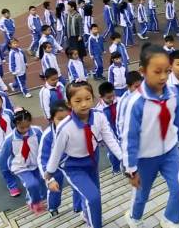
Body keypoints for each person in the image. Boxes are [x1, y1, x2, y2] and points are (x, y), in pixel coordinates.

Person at [123, 44, 179, 228]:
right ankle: (134, 217)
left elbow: (177, 120)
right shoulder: (135, 102)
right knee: (142, 194)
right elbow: (130, 137)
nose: (163, 77)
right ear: (142, 71)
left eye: (167, 71)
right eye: (157, 72)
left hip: (170, 151)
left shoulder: (172, 93)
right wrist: (131, 169)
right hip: (145, 158)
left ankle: (170, 219)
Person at [44, 81, 122, 228]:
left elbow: (110, 139)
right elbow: (57, 152)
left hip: (92, 160)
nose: (84, 104)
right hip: (73, 166)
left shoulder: (99, 116)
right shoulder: (65, 127)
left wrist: (124, 159)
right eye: (78, 101)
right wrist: (49, 174)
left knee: (94, 195)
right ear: (69, 103)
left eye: (88, 99)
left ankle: (87, 214)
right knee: (92, 198)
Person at [0, 108, 46, 214]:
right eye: (21, 127)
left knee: (40, 183)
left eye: (27, 126)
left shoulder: (37, 132)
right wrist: (3, 168)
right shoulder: (10, 139)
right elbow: (2, 157)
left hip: (36, 163)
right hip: (20, 166)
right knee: (32, 184)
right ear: (15, 124)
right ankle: (34, 202)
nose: (25, 130)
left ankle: (35, 198)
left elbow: (44, 145)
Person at [38, 102, 83, 217]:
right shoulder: (47, 136)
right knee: (55, 189)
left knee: (78, 185)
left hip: (71, 164)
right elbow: (42, 159)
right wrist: (49, 179)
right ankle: (53, 207)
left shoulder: (75, 128)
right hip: (55, 167)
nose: (64, 122)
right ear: (52, 120)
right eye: (60, 119)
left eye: (68, 119)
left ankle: (79, 208)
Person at [96, 82, 121, 173]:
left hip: (120, 130)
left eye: (113, 96)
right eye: (108, 97)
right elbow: (98, 125)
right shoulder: (99, 110)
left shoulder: (119, 100)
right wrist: (100, 139)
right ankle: (116, 169)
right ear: (101, 97)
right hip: (108, 134)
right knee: (113, 153)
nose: (111, 99)